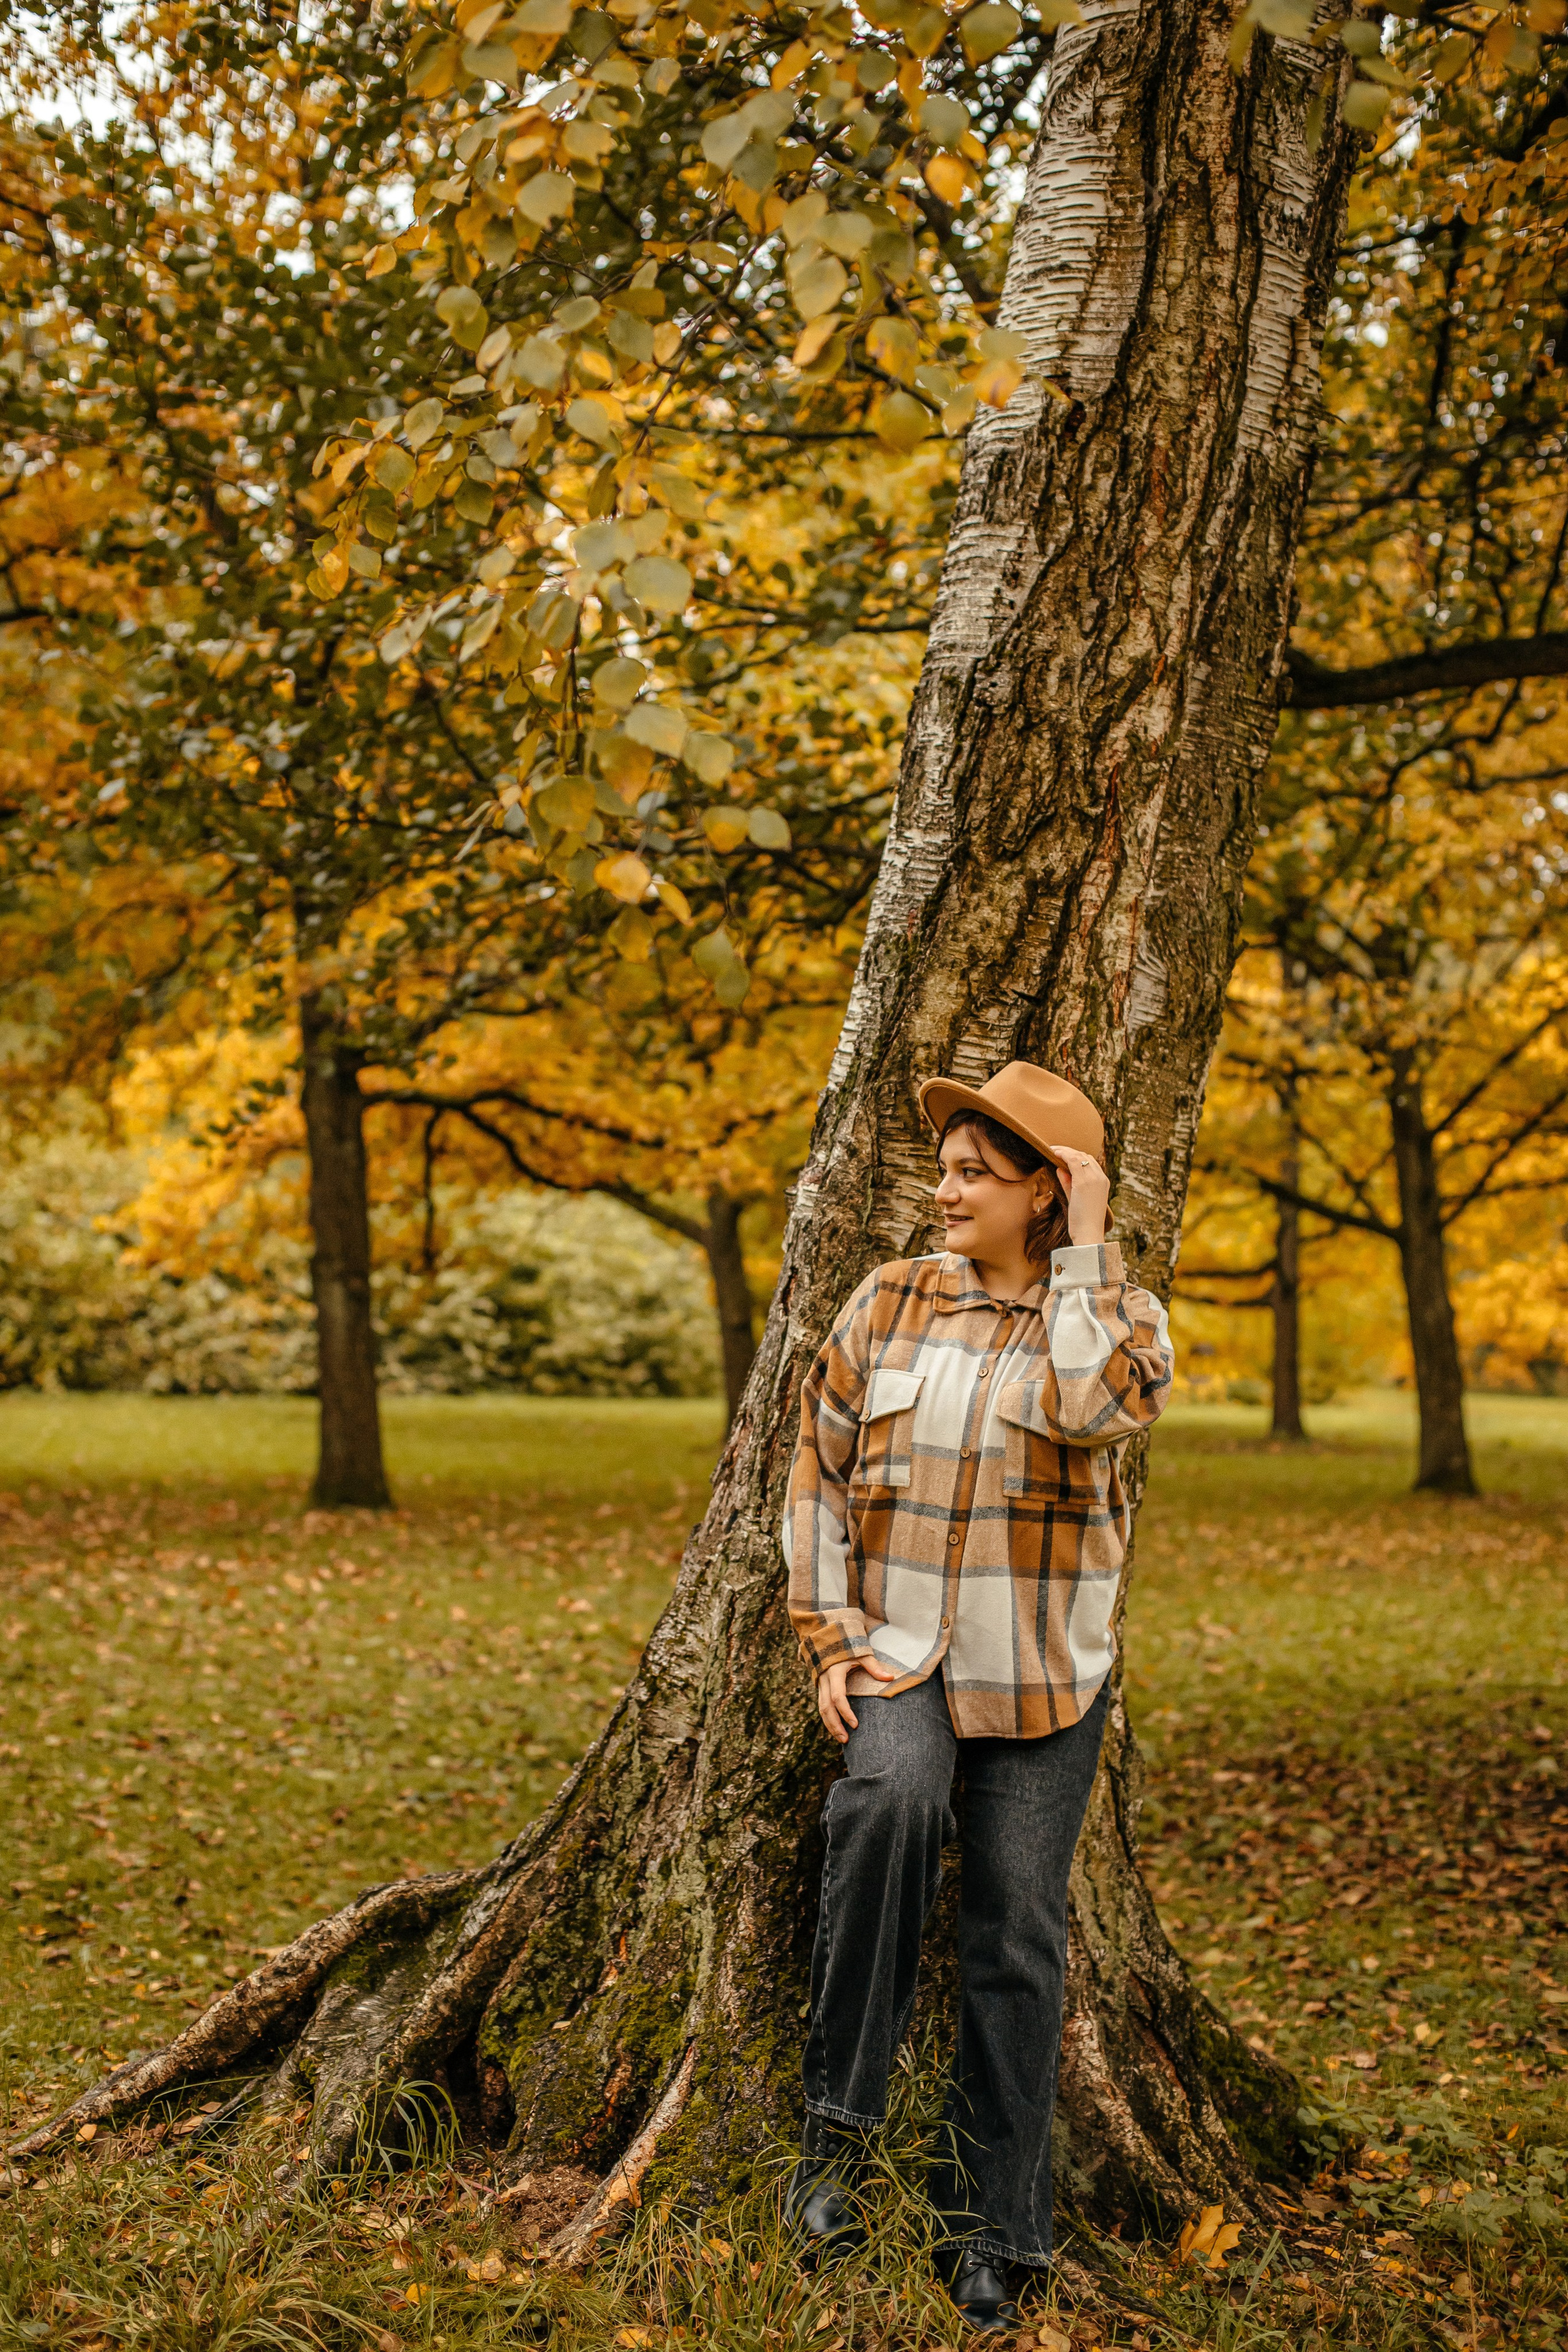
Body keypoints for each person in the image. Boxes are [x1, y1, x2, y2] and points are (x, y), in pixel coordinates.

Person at [782, 1060, 1174, 2333]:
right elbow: (816, 1474)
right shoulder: (888, 1301)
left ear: (1043, 1192)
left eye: (972, 1172)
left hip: (1044, 1678)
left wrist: (1089, 1244)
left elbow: (1084, 1406)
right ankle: (831, 2148)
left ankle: (990, 2226)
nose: (941, 1190)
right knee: (886, 1807)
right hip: (898, 1654)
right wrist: (830, 1637)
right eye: (942, 1166)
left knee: (1014, 1927)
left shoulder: (1122, 1321)